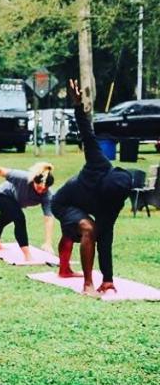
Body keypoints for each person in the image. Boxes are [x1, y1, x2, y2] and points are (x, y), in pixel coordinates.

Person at [51, 79, 133, 296]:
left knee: (92, 231)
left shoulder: (112, 204)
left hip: (79, 205)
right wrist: (78, 105)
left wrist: (108, 279)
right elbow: (87, 133)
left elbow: (106, 240)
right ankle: (88, 284)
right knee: (88, 228)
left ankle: (65, 269)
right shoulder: (99, 162)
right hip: (62, 202)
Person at [0, 159, 55, 261]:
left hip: (15, 203)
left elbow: (48, 219)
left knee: (2, 221)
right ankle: (27, 256)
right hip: (2, 196)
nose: (41, 191)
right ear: (33, 181)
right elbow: (1, 171)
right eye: (38, 187)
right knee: (19, 219)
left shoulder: (48, 196)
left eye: (44, 189)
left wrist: (48, 243)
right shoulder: (23, 177)